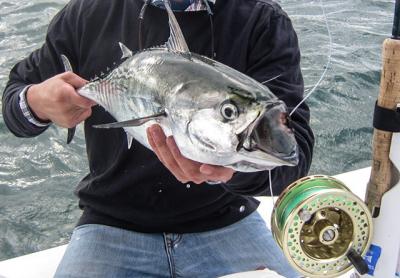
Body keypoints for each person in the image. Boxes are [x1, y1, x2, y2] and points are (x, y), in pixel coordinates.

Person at [2, 0, 314, 277]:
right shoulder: (87, 12)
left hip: (227, 219)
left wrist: (231, 173)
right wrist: (35, 102)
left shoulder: (262, 21)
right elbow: (14, 103)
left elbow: (293, 157)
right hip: (110, 223)